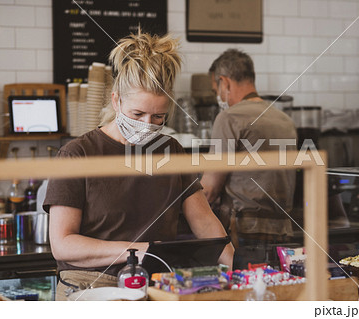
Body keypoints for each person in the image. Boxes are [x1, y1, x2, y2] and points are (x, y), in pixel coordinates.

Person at [43, 31, 234, 300]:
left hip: (156, 287)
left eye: (158, 116)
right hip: (92, 287)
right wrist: (138, 250)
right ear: (116, 100)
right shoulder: (78, 154)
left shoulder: (171, 151)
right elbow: (62, 245)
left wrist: (231, 268)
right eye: (137, 114)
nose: (147, 124)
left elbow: (204, 222)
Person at [200, 49, 297, 267]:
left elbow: (210, 188)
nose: (218, 96)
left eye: (216, 89)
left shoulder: (229, 118)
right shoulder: (284, 120)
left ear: (225, 83)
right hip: (283, 229)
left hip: (245, 231)